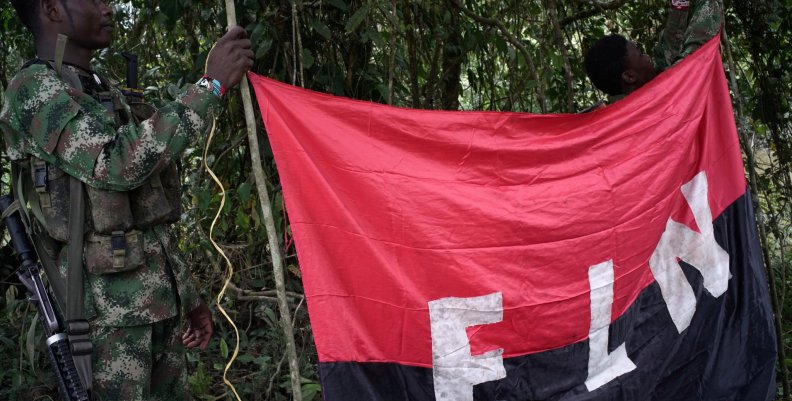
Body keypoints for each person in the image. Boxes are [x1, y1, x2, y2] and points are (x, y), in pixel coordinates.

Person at [0, 0, 253, 399]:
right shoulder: (33, 90)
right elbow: (115, 165)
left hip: (156, 308)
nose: (108, 7)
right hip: (103, 322)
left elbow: (142, 210)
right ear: (51, 9)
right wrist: (210, 86)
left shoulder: (101, 87)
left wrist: (185, 294)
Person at [583, 0, 722, 105]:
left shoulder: (626, 108)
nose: (647, 56)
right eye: (640, 54)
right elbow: (696, 53)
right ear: (629, 76)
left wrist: (680, 4)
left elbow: (666, 54)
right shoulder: (659, 99)